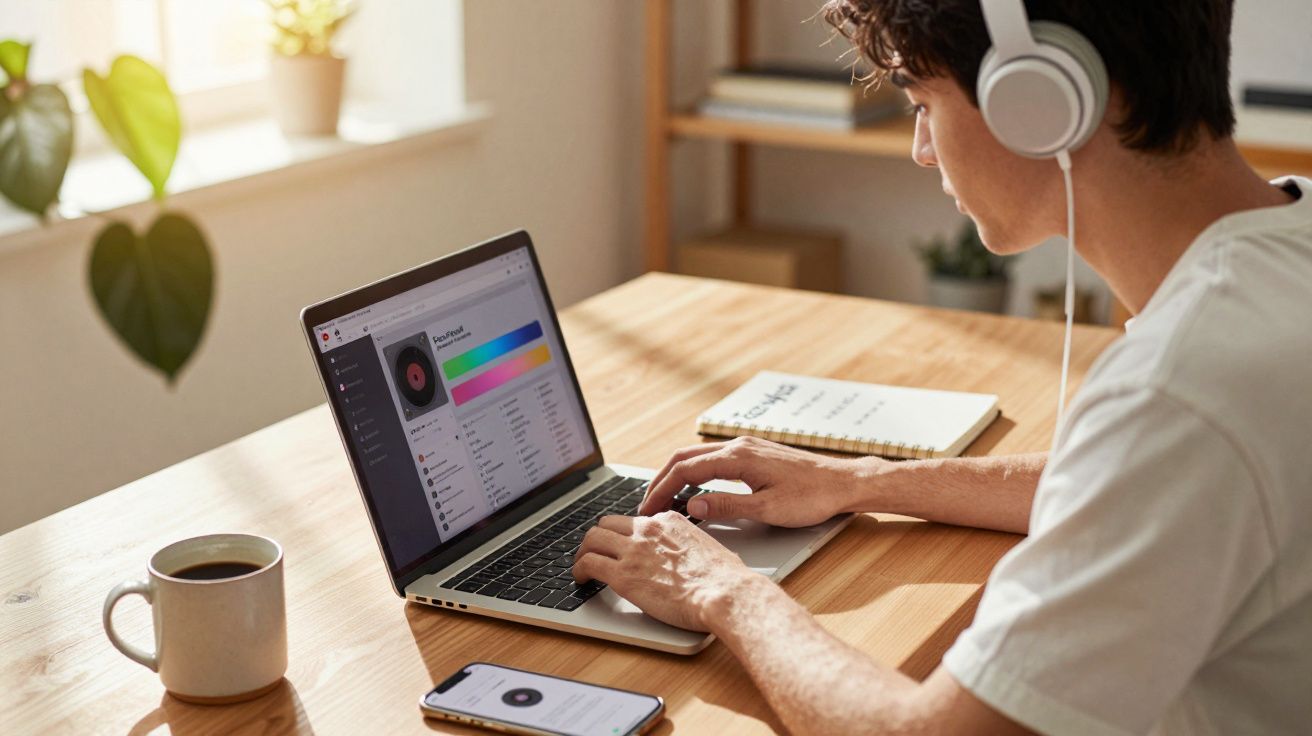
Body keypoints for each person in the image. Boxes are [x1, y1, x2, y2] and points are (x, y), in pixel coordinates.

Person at [570, 1, 1312, 734]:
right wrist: (859, 480)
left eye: (924, 100)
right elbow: (1142, 484)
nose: (922, 147)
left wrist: (724, 591)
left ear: (1044, 99)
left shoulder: (1180, 388)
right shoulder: (1286, 247)